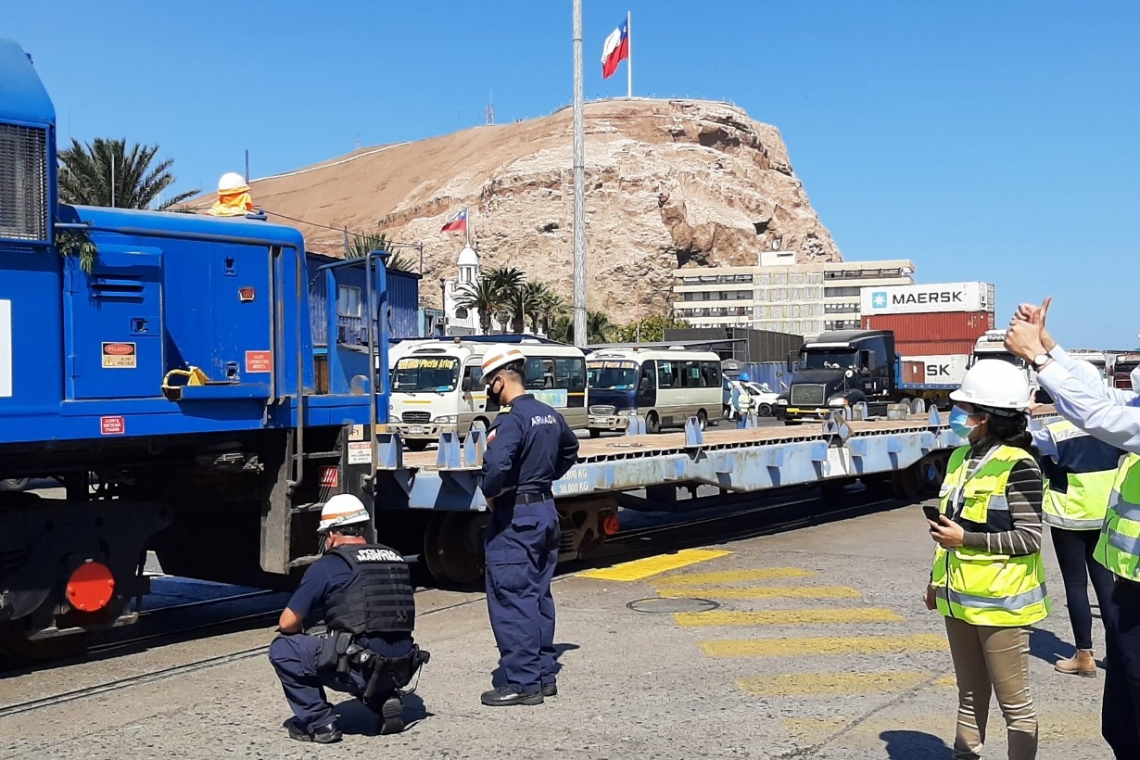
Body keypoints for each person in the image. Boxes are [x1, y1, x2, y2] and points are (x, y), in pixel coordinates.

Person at [1005, 298, 1140, 759]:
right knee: (1122, 720)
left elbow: (1100, 414)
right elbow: (1101, 397)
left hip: (1119, 569)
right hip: (1127, 581)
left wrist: (1039, 359)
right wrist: (1049, 345)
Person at [924, 358, 1049, 760]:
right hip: (958, 599)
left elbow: (1029, 538)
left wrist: (968, 539)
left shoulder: (1021, 466)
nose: (961, 418)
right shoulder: (960, 459)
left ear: (989, 418)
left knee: (1015, 706)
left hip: (1001, 607)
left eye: (969, 411)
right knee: (970, 694)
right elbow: (949, 527)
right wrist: (934, 579)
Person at [268, 494, 428, 743]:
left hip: (360, 668)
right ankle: (383, 698)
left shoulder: (329, 565)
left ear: (331, 534)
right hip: (401, 666)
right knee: (367, 642)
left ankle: (320, 724)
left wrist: (305, 636)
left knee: (283, 648)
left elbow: (287, 623)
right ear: (362, 527)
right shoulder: (395, 558)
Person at [478, 344, 580, 706]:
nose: (489, 390)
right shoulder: (548, 414)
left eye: (489, 383)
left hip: (515, 519)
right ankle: (544, 674)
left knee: (511, 599)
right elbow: (570, 450)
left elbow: (496, 467)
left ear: (500, 381)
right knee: (538, 596)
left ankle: (522, 683)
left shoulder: (509, 419)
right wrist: (541, 479)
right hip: (545, 512)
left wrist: (491, 494)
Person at [1031, 369, 1123, 677]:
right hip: (1104, 514)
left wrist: (1030, 408)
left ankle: (1084, 655)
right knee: (1106, 585)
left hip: (1068, 516)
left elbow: (1027, 444)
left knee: (1075, 584)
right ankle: (1118, 653)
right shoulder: (1113, 426)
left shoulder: (1054, 430)